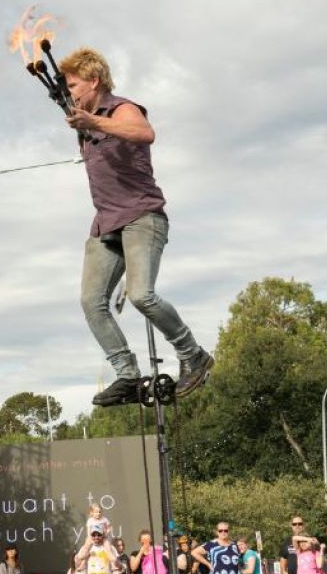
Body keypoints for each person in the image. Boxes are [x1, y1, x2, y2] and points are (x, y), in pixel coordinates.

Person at [58, 46, 213, 407]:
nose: (71, 92)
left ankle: (194, 356)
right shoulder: (85, 118)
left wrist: (93, 121)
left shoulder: (123, 108)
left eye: (75, 84)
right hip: (106, 224)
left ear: (94, 80)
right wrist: (85, 120)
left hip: (143, 217)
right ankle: (127, 374)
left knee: (142, 294)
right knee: (91, 301)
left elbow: (144, 134)